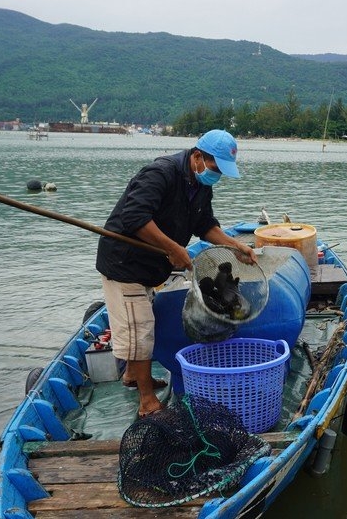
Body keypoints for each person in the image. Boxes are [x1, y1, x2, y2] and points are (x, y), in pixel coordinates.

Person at [95, 129, 257, 418]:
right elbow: (135, 217)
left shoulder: (200, 184)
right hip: (125, 262)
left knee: (140, 319)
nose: (216, 175)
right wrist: (173, 248)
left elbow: (204, 224)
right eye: (215, 168)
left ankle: (133, 376)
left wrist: (235, 246)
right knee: (139, 326)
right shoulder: (161, 173)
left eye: (221, 171)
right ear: (197, 156)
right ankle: (147, 399)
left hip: (150, 265)